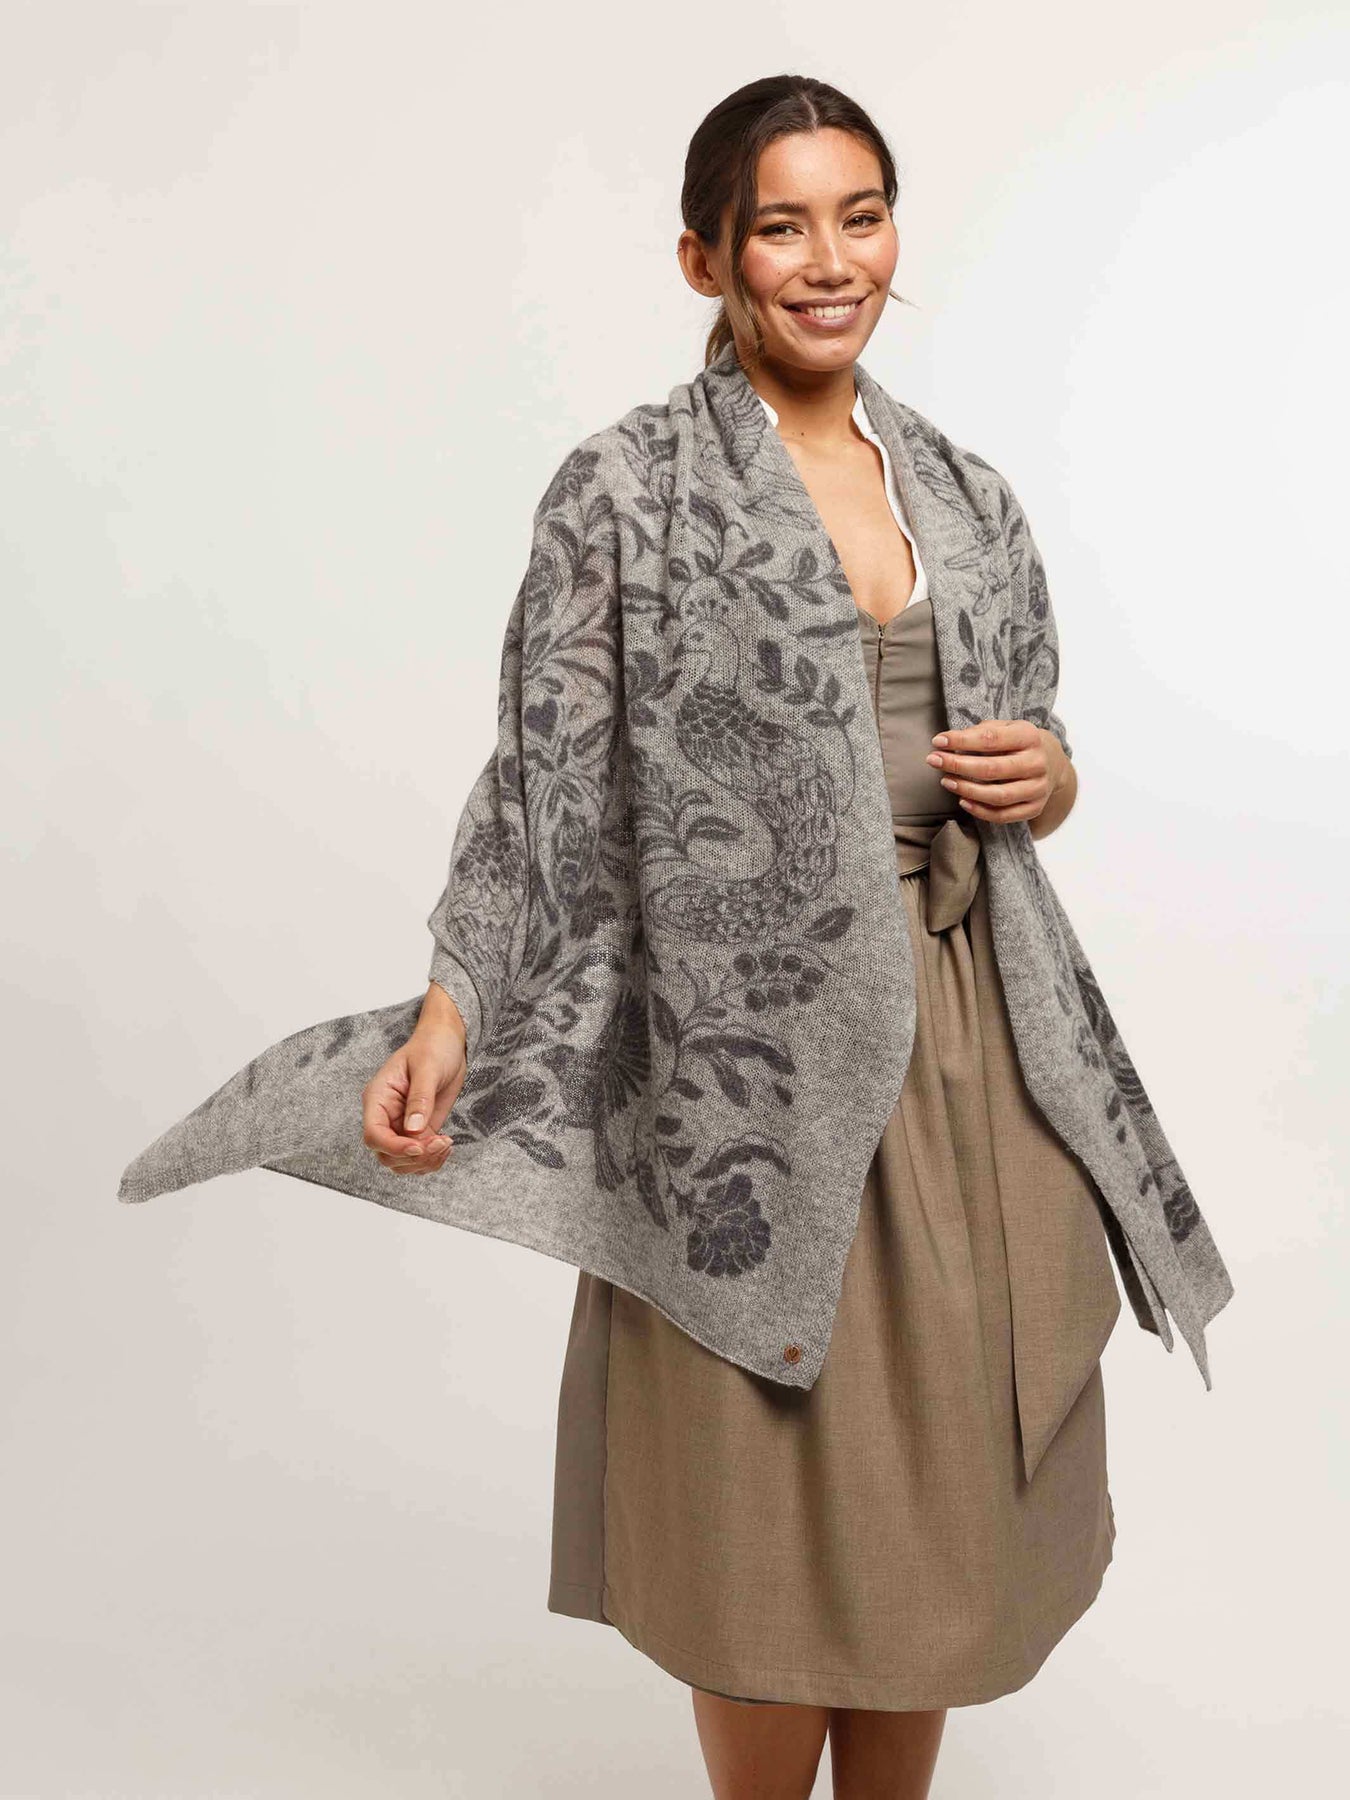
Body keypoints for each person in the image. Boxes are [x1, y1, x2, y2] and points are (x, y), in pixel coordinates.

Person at [358, 76, 1121, 1800]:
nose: (829, 260)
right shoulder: (623, 490)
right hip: (740, 1061)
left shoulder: (967, 493)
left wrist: (1051, 776)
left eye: (861, 215)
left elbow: (1033, 741)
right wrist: (453, 1008)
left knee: (939, 1501)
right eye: (781, 225)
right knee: (762, 1495)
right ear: (707, 256)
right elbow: (542, 781)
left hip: (966, 1049)